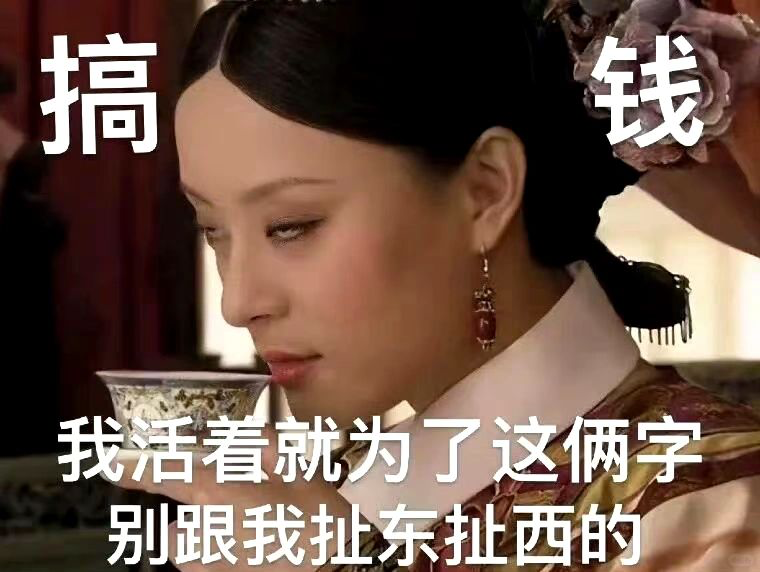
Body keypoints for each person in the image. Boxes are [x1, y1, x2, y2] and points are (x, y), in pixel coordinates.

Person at [113, 1, 760, 570]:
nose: (239, 302)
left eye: (291, 226)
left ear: (485, 191)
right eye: (213, 231)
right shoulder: (319, 491)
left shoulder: (712, 508)